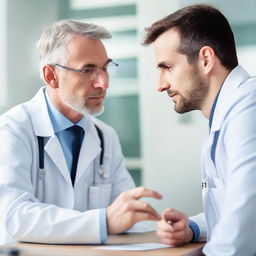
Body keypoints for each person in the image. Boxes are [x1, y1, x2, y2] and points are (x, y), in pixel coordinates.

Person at [0, 19, 162, 246]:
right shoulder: (13, 130)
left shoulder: (106, 137)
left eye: (105, 67)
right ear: (51, 76)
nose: (103, 82)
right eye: (88, 70)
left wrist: (160, 223)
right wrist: (103, 221)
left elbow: (125, 213)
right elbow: (14, 216)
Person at [143, 4, 256, 255]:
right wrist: (193, 228)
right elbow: (235, 207)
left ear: (205, 59)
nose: (160, 85)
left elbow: (243, 225)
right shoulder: (225, 113)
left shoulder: (250, 106)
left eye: (167, 67)